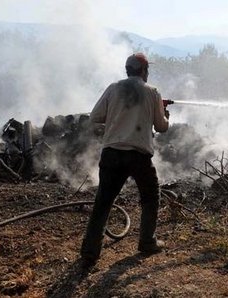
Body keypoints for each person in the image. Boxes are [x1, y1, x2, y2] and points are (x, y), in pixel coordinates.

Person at [80, 53, 169, 267]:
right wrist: (164, 112)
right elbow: (162, 127)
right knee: (150, 198)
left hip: (112, 154)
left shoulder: (113, 88)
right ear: (144, 71)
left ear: (127, 69)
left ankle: (90, 252)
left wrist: (116, 119)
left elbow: (94, 118)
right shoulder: (153, 93)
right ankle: (147, 241)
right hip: (139, 156)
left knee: (103, 202)